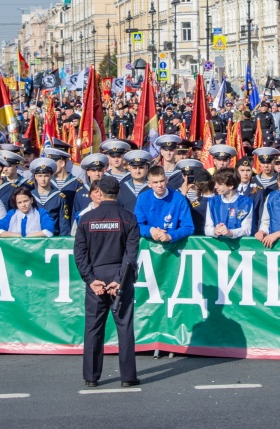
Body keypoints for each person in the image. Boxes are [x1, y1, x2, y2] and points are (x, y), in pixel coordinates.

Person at [73, 176, 140, 388]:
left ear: (99, 192)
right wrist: (120, 280)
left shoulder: (86, 218)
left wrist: (90, 280)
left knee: (93, 327)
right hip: (120, 277)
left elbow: (79, 254)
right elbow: (131, 255)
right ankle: (128, 377)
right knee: (125, 327)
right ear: (118, 192)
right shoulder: (128, 217)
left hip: (96, 276)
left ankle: (91, 377)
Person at [132, 165, 194, 242]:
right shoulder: (142, 198)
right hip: (148, 246)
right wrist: (150, 230)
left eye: (161, 181)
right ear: (149, 184)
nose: (159, 185)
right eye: (155, 182)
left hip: (174, 246)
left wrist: (170, 236)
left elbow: (188, 227)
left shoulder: (179, 198)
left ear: (166, 180)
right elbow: (137, 225)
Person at [205, 167, 254, 239]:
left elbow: (247, 230)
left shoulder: (247, 203)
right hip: (217, 247)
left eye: (219, 184)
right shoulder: (212, 202)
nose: (215, 186)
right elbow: (207, 228)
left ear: (231, 186)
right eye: (215, 183)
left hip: (239, 247)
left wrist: (230, 232)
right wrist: (214, 231)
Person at [30, 157, 72, 236]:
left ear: (51, 176)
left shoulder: (59, 197)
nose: (43, 179)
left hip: (53, 240)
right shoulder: (29, 196)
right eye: (40, 176)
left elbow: (64, 223)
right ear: (35, 176)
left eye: (46, 176)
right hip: (32, 239)